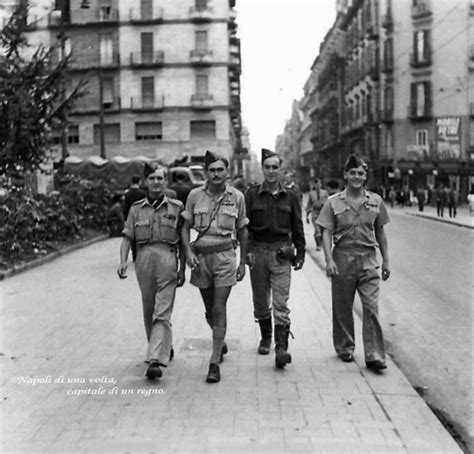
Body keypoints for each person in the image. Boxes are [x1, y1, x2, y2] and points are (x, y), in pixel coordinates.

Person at [317, 154, 390, 372]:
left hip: (368, 259)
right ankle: (345, 347)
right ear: (345, 175)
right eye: (353, 173)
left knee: (371, 307)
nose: (357, 177)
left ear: (365, 176)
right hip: (342, 257)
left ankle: (374, 354)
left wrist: (386, 260)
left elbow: (381, 232)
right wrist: (329, 259)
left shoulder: (376, 201)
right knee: (342, 307)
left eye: (361, 173)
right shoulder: (333, 202)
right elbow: (326, 231)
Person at [181, 150, 248, 383]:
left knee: (219, 307)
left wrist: (243, 262)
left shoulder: (237, 196)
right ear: (206, 173)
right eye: (212, 170)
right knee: (210, 310)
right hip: (201, 259)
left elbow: (242, 229)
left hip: (225, 256)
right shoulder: (194, 195)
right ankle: (220, 340)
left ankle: (214, 359)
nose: (216, 174)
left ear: (227, 172)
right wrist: (187, 251)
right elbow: (184, 226)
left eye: (220, 170)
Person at [117, 164, 185, 380]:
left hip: (167, 258)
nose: (156, 182)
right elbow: (128, 237)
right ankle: (163, 346)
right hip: (143, 259)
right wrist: (123, 261)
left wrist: (183, 267)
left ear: (166, 181)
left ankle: (155, 358)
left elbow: (183, 241)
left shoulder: (176, 207)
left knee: (162, 311)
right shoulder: (136, 208)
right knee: (149, 309)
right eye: (152, 178)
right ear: (146, 182)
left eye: (160, 178)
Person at [245, 148, 305, 369]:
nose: (271, 171)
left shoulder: (291, 196)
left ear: (280, 170)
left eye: (275, 167)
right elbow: (245, 228)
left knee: (281, 302)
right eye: (267, 167)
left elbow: (298, 226)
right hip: (258, 252)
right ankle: (266, 337)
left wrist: (301, 253)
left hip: (281, 253)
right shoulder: (251, 195)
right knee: (261, 301)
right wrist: (247, 252)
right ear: (262, 169)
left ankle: (281, 347)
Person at [305, 178, 328, 250]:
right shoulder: (311, 194)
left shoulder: (324, 193)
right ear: (314, 185)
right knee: (317, 229)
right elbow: (309, 204)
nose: (318, 185)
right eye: (316, 184)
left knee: (323, 229)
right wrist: (307, 216)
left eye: (319, 184)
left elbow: (328, 203)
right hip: (315, 212)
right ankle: (318, 245)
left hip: (323, 212)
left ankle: (323, 243)